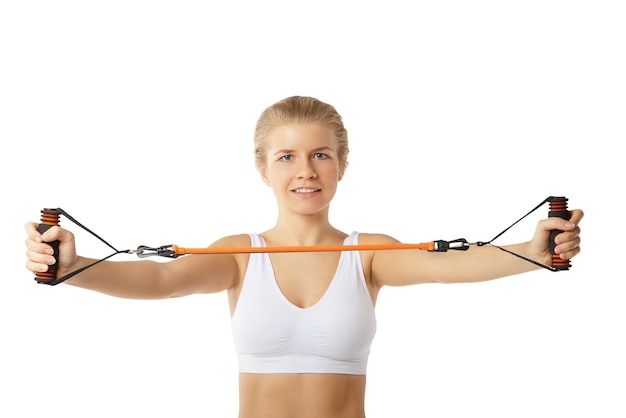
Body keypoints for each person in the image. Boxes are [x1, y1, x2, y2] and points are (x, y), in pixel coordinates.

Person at [24, 96, 583, 418]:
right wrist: (74, 269)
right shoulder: (240, 256)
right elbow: (162, 278)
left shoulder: (368, 255)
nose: (305, 170)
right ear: (263, 169)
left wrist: (531, 253)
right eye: (286, 156)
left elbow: (450, 266)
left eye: (321, 154)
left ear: (342, 166)